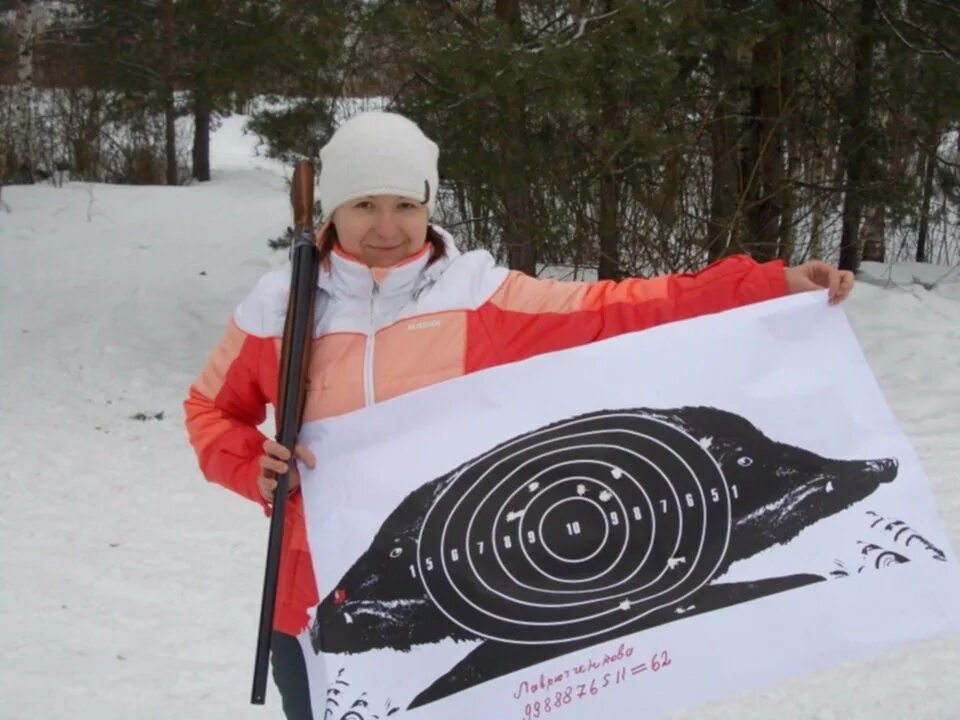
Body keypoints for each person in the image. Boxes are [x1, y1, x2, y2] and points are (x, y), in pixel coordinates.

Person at [183, 111, 855, 719]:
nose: (386, 227)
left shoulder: (483, 298)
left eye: (404, 205)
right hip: (310, 591)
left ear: (428, 205)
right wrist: (256, 469)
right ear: (332, 209)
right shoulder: (280, 306)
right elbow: (211, 409)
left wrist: (766, 285)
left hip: (469, 594)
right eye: (364, 205)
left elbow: (622, 308)